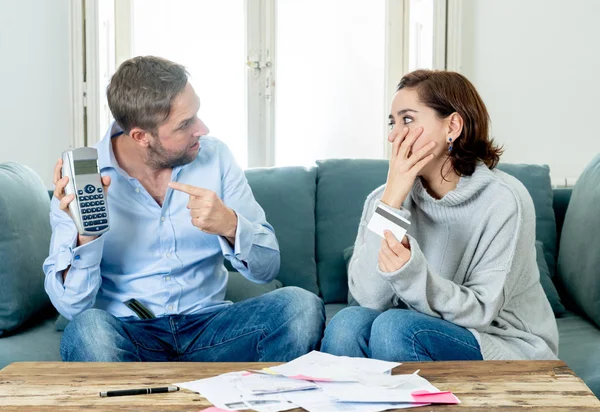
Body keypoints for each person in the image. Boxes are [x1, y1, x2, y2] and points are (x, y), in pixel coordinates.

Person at [43, 56, 325, 362]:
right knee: (87, 331)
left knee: (301, 306)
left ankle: (242, 400)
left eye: (196, 115)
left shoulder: (215, 157)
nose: (202, 129)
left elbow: (266, 269)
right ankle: (152, 406)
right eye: (185, 124)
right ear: (141, 136)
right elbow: (72, 306)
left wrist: (230, 226)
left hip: (211, 328)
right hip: (130, 333)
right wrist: (88, 237)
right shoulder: (82, 180)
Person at [321, 70, 558, 361]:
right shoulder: (383, 199)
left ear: (453, 126)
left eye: (407, 119)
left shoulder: (504, 199)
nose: (393, 135)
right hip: (419, 331)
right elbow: (368, 300)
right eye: (392, 122)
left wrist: (410, 274)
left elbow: (481, 312)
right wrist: (392, 202)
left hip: (502, 343)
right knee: (346, 325)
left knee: (395, 327)